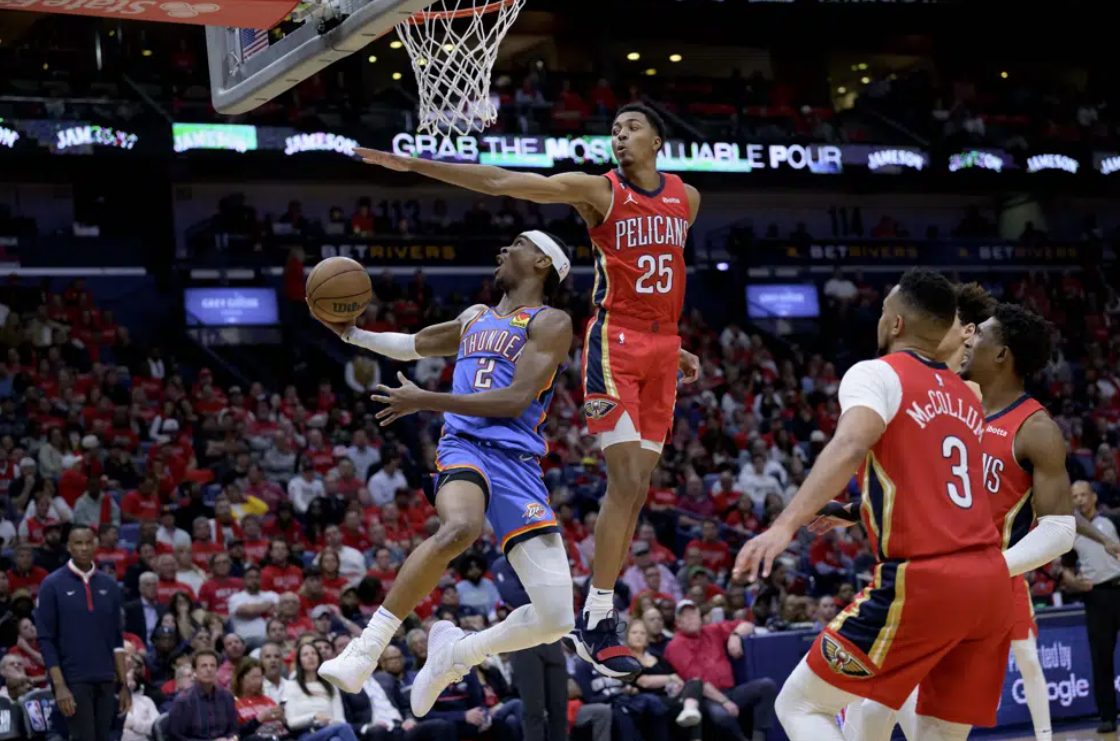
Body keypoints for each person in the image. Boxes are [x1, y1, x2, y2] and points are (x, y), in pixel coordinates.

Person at [353, 102, 702, 679]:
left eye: (632, 127)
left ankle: (582, 616)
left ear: (660, 140)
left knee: (640, 490)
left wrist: (672, 340)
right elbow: (502, 180)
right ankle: (599, 614)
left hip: (663, 347)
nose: (619, 134)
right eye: (613, 127)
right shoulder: (598, 191)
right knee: (628, 479)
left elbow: (662, 274)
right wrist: (416, 164)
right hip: (616, 342)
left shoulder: (687, 200)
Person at [735, 269, 1013, 741]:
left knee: (800, 705)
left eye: (884, 309)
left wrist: (783, 526)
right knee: (936, 735)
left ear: (896, 323)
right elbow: (935, 486)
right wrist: (853, 511)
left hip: (925, 581)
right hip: (990, 583)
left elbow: (849, 446)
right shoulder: (968, 398)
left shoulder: (875, 372)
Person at [315, 232, 578, 717]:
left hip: (518, 462)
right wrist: (350, 333)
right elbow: (412, 346)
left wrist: (425, 400)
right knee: (460, 527)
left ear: (543, 261)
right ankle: (366, 649)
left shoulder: (551, 322)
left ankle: (458, 652)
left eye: (517, 244)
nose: (503, 250)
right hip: (465, 446)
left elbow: (514, 400)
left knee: (558, 618)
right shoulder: (474, 317)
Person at [844, 301, 1120, 741]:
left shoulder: (1035, 428)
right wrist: (849, 511)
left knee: (922, 725)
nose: (969, 339)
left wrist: (988, 570)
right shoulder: (950, 407)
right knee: (870, 709)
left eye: (982, 335)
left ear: (1002, 355)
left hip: (977, 593)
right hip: (925, 582)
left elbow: (1059, 528)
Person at [35, 524, 130, 741]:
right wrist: (59, 686)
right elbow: (46, 640)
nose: (84, 548)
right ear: (69, 547)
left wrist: (123, 684)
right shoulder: (52, 585)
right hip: (73, 680)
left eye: (88, 542)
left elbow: (117, 640)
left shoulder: (110, 585)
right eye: (78, 543)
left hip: (107, 679)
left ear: (95, 545)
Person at [663, 601, 774, 741]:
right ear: (678, 623)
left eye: (693, 613)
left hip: (730, 690)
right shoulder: (675, 646)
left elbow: (747, 625)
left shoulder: (712, 630)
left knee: (766, 686)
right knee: (721, 715)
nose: (690, 617)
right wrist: (724, 701)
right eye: (685, 615)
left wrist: (734, 635)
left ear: (700, 616)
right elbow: (697, 682)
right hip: (706, 697)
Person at [1066, 481, 1120, 732]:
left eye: (1083, 495)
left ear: (1094, 497)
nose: (1078, 500)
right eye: (1074, 496)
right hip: (1097, 597)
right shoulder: (1070, 532)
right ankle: (1108, 716)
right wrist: (1072, 581)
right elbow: (1062, 569)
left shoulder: (1112, 520)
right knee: (1101, 660)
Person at [628, 618, 702, 737]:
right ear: (627, 637)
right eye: (634, 633)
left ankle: (689, 710)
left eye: (642, 633)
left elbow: (676, 677)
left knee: (695, 683)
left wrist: (676, 685)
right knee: (688, 706)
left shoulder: (655, 656)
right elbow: (644, 682)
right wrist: (670, 678)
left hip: (669, 694)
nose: (639, 636)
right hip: (649, 699)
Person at [283, 643, 361, 741]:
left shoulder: (330, 685)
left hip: (330, 730)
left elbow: (339, 718)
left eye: (313, 653)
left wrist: (329, 722)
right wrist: (314, 717)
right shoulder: (290, 686)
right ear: (299, 662)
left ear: (319, 658)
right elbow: (291, 723)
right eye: (305, 654)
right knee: (344, 727)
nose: (310, 656)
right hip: (307, 735)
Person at [167, 650, 239, 741]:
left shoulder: (227, 696)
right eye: (204, 666)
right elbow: (176, 738)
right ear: (194, 671)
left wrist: (233, 738)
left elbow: (235, 730)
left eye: (213, 665)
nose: (209, 669)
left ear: (217, 669)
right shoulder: (183, 701)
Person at [233, 656, 290, 740]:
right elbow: (236, 733)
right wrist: (259, 719)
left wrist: (282, 718)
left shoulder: (267, 700)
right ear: (241, 678)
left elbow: (285, 727)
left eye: (260, 677)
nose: (259, 681)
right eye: (254, 677)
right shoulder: (232, 703)